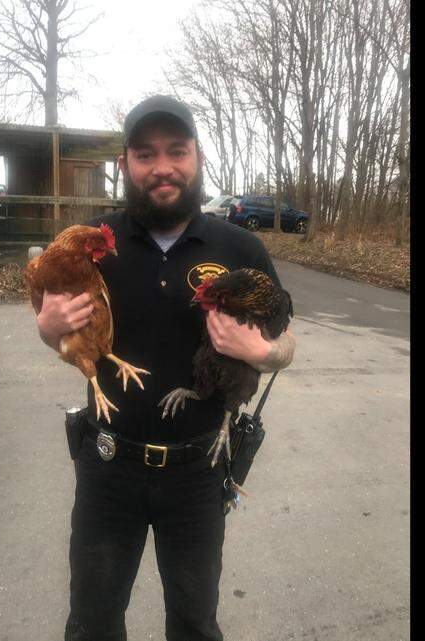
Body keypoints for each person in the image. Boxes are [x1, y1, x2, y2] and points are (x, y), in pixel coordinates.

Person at [34, 95, 296, 641]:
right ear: (127, 164)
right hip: (108, 469)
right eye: (146, 154)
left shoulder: (239, 245)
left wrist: (264, 353)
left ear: (197, 156)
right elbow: (57, 328)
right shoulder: (93, 243)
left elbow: (286, 340)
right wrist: (47, 327)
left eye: (176, 151)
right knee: (93, 620)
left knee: (196, 622)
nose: (162, 168)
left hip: (197, 476)